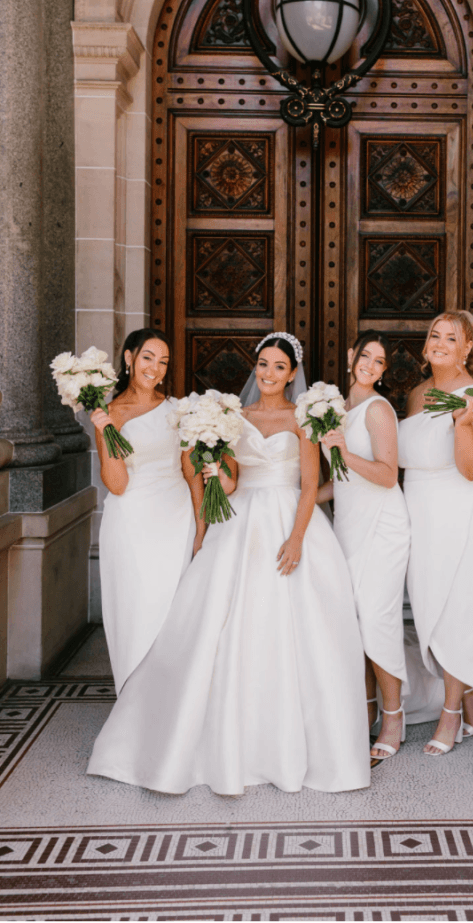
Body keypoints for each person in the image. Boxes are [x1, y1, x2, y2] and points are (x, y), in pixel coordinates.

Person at [87, 333, 370, 796]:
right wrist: (216, 470)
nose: (269, 373)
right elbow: (233, 483)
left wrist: (297, 538)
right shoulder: (234, 416)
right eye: (263, 364)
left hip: (289, 521)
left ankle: (296, 745)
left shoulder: (304, 417)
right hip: (241, 521)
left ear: (292, 375)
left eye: (279, 367)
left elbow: (309, 485)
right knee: (221, 623)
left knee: (298, 629)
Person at [398, 311, 473, 756]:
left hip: (463, 507)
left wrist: (465, 424)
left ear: (468, 348)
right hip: (421, 510)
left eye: (452, 337)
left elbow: (471, 469)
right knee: (430, 606)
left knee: (458, 610)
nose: (440, 342)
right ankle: (471, 694)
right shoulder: (416, 394)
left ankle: (451, 711)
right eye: (435, 334)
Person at [318, 332, 410, 765]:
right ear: (351, 356)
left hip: (383, 526)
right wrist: (297, 499)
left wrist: (341, 451)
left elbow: (388, 475)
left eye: (379, 361)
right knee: (354, 622)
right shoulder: (336, 410)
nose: (370, 365)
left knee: (377, 619)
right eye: (365, 356)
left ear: (384, 371)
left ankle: (394, 719)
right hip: (350, 525)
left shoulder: (377, 409)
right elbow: (338, 482)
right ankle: (366, 711)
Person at [90, 328, 197, 694]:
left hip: (176, 520)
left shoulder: (177, 410)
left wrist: (201, 529)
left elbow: (190, 471)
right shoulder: (109, 414)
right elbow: (117, 484)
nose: (155, 367)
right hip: (131, 525)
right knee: (136, 612)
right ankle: (134, 701)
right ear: (129, 358)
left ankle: (171, 703)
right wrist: (105, 432)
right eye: (148, 357)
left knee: (174, 615)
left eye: (163, 361)